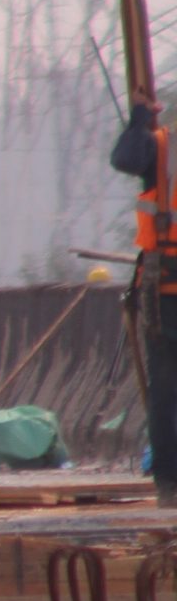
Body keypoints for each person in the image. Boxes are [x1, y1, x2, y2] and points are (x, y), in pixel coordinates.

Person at [114, 101, 177, 504]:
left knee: (166, 391)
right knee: (167, 392)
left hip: (165, 293)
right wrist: (138, 123)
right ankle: (170, 482)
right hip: (166, 296)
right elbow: (125, 157)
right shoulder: (162, 148)